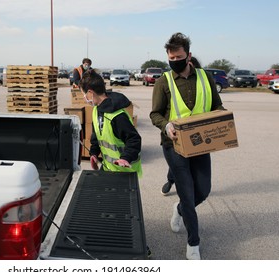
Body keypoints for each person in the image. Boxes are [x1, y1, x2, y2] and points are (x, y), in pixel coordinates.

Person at [150, 33, 225, 260]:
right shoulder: (164, 81)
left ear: (188, 55)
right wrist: (166, 125)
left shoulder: (205, 78)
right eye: (171, 57)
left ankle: (180, 209)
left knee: (202, 190)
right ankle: (193, 243)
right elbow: (154, 114)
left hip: (200, 144)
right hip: (173, 145)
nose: (174, 61)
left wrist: (222, 117)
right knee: (186, 190)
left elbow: (217, 106)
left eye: (179, 56)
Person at [79, 70, 142, 177]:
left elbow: (134, 139)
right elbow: (97, 137)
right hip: (108, 168)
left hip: (124, 172)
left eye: (83, 94)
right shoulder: (96, 110)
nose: (84, 98)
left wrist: (125, 158)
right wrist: (94, 153)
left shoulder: (117, 116)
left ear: (90, 93)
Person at [161, 56, 201, 196]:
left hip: (197, 136)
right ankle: (170, 181)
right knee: (178, 165)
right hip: (177, 137)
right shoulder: (169, 82)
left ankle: (194, 192)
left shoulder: (201, 82)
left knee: (194, 172)